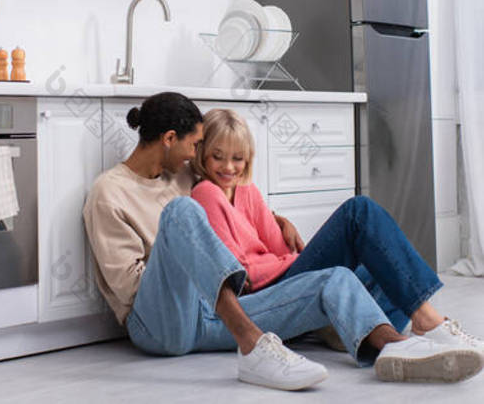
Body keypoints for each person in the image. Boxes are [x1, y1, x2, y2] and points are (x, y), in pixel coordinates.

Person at [83, 93, 484, 391]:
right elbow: (130, 289)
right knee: (181, 213)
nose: (197, 156)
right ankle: (254, 349)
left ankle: (394, 347)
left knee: (338, 277)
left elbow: (233, 197)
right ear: (170, 139)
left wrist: (277, 219)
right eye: (194, 146)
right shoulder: (110, 192)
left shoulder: (180, 174)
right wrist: (183, 255)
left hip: (214, 313)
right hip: (160, 324)